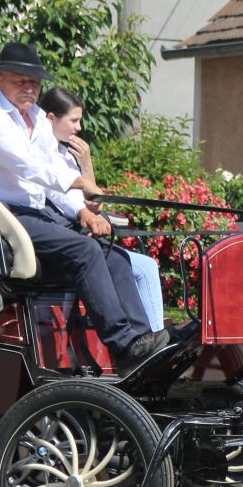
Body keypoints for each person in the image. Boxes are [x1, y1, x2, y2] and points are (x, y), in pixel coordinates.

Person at [0, 42, 168, 365]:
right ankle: (123, 343)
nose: (30, 88)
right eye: (20, 81)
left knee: (110, 252)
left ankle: (141, 346)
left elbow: (54, 177)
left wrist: (83, 210)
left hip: (36, 215)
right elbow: (28, 165)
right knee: (84, 251)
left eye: (35, 82)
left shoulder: (39, 118)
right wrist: (81, 182)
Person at [38, 86, 164, 332]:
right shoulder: (41, 156)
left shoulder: (64, 154)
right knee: (144, 267)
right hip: (61, 238)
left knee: (145, 265)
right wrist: (85, 213)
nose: (79, 128)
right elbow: (62, 198)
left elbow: (95, 203)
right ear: (51, 118)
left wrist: (86, 164)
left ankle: (152, 336)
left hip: (77, 233)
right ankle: (151, 336)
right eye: (74, 120)